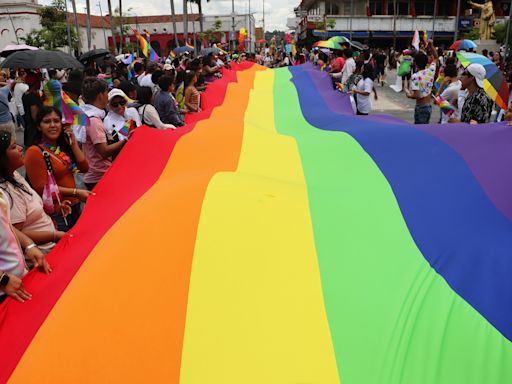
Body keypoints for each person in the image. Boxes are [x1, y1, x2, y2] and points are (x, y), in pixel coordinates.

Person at [0, 129, 69, 253]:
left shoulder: (14, 175)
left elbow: (31, 208)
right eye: (14, 147)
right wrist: (55, 235)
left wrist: (55, 208)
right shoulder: (7, 192)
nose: (21, 148)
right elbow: (18, 235)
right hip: (45, 253)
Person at [24, 107, 90, 231]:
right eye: (47, 121)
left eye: (56, 121)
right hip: (59, 212)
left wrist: (74, 144)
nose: (53, 125)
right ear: (39, 127)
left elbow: (85, 168)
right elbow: (42, 188)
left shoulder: (61, 148)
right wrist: (75, 192)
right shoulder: (34, 152)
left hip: (75, 206)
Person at [81, 77, 127, 191]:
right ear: (100, 95)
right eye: (107, 93)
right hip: (98, 176)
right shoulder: (94, 121)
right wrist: (126, 140)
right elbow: (104, 151)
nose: (107, 96)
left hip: (94, 172)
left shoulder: (86, 115)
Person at [406, 42, 438, 124]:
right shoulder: (430, 71)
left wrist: (409, 95)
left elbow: (417, 95)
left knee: (419, 131)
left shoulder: (415, 76)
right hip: (428, 106)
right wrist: (431, 46)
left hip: (421, 107)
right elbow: (435, 57)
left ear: (415, 63)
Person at [22, 72, 43, 147]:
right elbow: (35, 117)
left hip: (28, 128)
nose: (40, 83)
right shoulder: (33, 97)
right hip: (34, 132)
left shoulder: (26, 93)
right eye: (39, 81)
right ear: (36, 83)